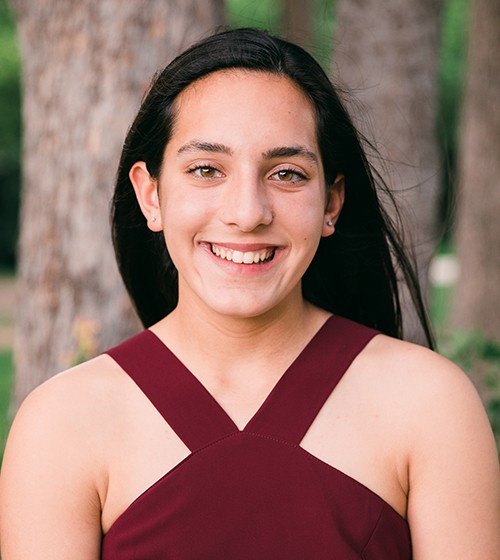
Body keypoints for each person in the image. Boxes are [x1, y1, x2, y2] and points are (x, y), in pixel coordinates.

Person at [0, 28, 498, 559]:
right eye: (206, 170)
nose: (247, 212)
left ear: (331, 203)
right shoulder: (63, 423)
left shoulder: (429, 405)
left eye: (286, 173)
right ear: (151, 195)